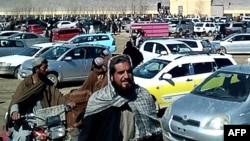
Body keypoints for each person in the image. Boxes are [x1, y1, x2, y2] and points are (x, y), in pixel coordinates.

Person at [78, 54, 163, 141]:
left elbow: (155, 132)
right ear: (111, 76)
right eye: (121, 73)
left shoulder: (142, 96)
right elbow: (86, 135)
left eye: (129, 71)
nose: (126, 76)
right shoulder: (99, 100)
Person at [6, 57, 75, 141]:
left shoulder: (47, 83)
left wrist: (68, 102)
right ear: (36, 69)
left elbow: (57, 95)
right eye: (44, 67)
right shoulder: (25, 83)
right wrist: (15, 112)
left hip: (44, 118)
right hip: (27, 119)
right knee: (23, 136)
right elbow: (16, 99)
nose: (47, 69)